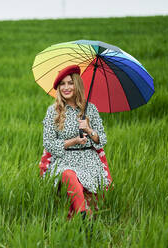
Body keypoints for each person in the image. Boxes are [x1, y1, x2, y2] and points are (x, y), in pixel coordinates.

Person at [41, 64, 111, 220]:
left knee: (80, 180)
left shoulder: (90, 109)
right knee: (68, 174)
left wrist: (89, 130)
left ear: (77, 85)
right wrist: (73, 141)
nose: (66, 87)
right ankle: (84, 215)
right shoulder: (53, 111)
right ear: (58, 88)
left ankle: (82, 216)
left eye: (70, 83)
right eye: (62, 84)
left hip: (88, 159)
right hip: (65, 158)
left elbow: (102, 140)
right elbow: (49, 143)